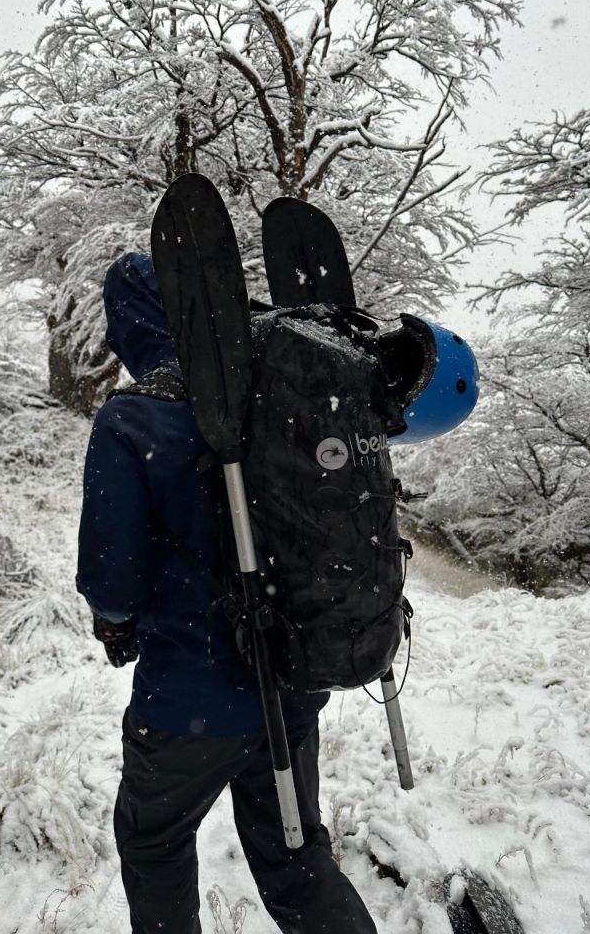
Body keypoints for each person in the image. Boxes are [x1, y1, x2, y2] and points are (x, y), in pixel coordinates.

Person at [76, 250, 378, 934]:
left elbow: (110, 582)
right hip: (291, 683)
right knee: (297, 859)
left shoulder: (133, 417)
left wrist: (115, 622)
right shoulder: (279, 389)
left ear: (128, 324)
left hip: (187, 700)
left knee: (153, 842)